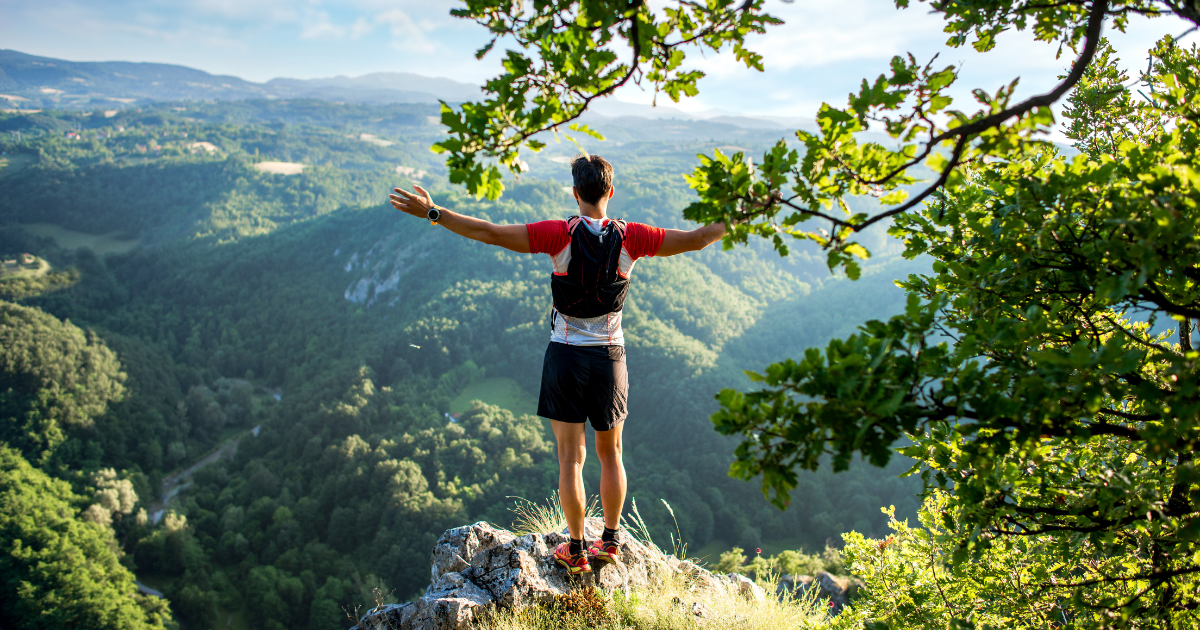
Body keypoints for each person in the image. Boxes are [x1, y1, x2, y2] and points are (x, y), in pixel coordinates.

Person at [389, 155, 726, 574]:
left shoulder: (557, 236)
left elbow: (489, 232)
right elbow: (696, 238)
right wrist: (746, 211)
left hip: (565, 355)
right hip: (610, 356)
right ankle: (612, 540)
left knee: (571, 459)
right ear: (611, 192)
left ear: (575, 193)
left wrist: (434, 212)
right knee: (612, 453)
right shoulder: (633, 238)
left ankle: (576, 546)